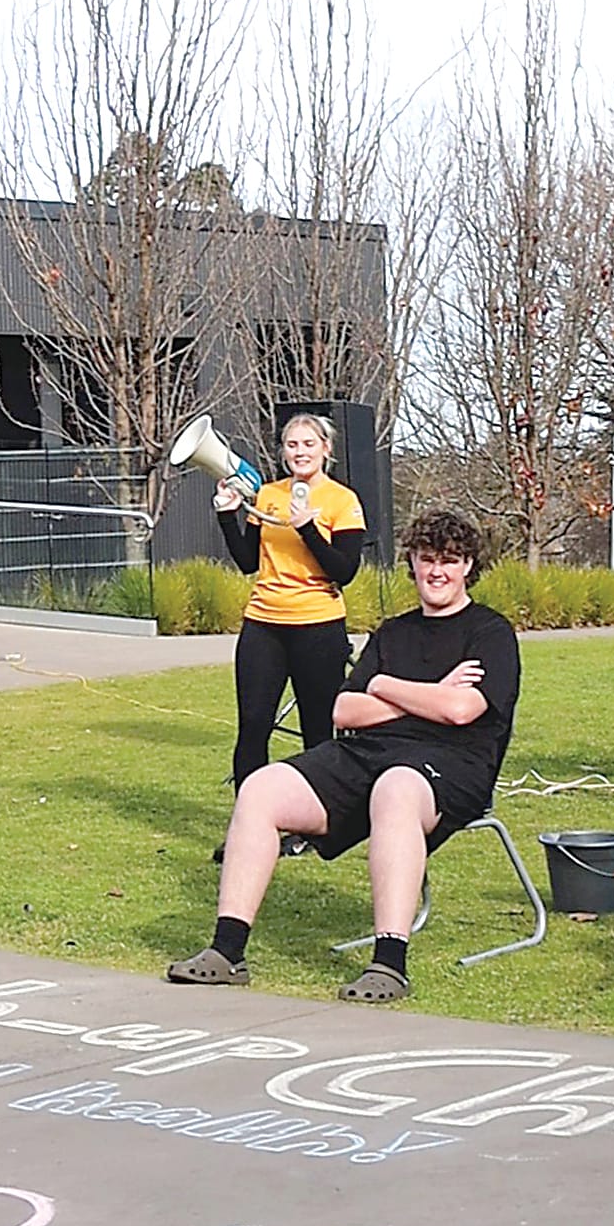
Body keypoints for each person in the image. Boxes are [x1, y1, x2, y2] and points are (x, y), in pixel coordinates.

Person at [168, 509, 520, 1003]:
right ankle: (227, 952)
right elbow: (345, 709)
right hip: (365, 757)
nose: (437, 571)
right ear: (412, 565)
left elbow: (462, 710)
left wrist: (386, 690)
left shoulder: (490, 632)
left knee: (396, 787)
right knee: (261, 788)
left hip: (451, 767)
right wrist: (419, 692)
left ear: (468, 568)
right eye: (426, 560)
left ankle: (389, 964)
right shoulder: (393, 632)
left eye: (450, 561)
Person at [214, 412, 366, 859]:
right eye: (291, 445)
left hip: (318, 626)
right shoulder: (268, 494)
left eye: (307, 444)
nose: (299, 452)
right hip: (263, 624)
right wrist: (227, 518)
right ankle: (248, 828)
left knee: (318, 732)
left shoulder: (342, 501)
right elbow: (247, 561)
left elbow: (345, 570)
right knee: (253, 727)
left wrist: (307, 528)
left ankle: (313, 827)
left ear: (326, 449)